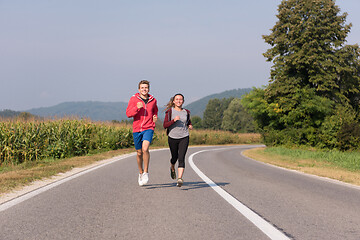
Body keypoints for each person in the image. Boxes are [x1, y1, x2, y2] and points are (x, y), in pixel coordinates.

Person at [126, 80, 158, 186]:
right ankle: (140, 173)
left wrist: (155, 117)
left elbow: (155, 111)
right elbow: (128, 114)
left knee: (145, 149)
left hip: (148, 128)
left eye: (146, 87)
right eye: (142, 88)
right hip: (137, 129)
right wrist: (136, 108)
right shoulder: (134, 99)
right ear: (139, 89)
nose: (144, 89)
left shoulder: (153, 100)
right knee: (139, 152)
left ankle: (146, 172)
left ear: (149, 89)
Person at [163, 93, 192, 187]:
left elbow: (188, 121)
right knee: (174, 157)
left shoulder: (186, 112)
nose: (179, 101)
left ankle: (179, 178)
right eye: (177, 99)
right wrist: (173, 120)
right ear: (174, 101)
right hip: (172, 137)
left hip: (184, 136)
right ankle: (172, 166)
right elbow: (165, 125)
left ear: (183, 101)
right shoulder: (169, 112)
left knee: (181, 158)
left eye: (180, 99)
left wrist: (189, 125)